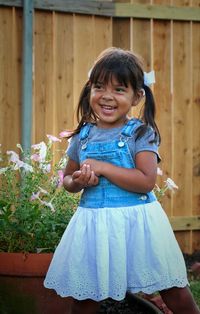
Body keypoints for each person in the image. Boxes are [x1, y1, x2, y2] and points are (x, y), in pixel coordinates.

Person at [44, 47, 200, 314]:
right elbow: (67, 180)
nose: (107, 96)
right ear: (89, 90)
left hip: (138, 224)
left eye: (119, 89)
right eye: (99, 87)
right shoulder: (82, 136)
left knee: (172, 289)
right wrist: (80, 180)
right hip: (94, 224)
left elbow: (146, 181)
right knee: (86, 296)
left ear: (137, 96)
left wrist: (102, 167)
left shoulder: (140, 133)